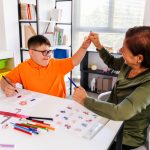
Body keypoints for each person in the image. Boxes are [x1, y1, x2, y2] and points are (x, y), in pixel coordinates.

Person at [73, 26, 150, 150]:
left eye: (124, 49)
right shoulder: (129, 63)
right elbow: (112, 62)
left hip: (126, 136)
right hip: (107, 120)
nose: (120, 50)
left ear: (139, 58)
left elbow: (120, 112)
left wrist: (85, 100)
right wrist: (98, 45)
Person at [0, 34, 91, 98]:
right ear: (31, 52)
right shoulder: (22, 67)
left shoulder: (56, 64)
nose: (47, 55)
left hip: (58, 105)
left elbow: (75, 60)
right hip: (36, 105)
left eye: (49, 51)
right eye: (44, 52)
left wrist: (84, 47)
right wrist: (6, 87)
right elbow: (4, 80)